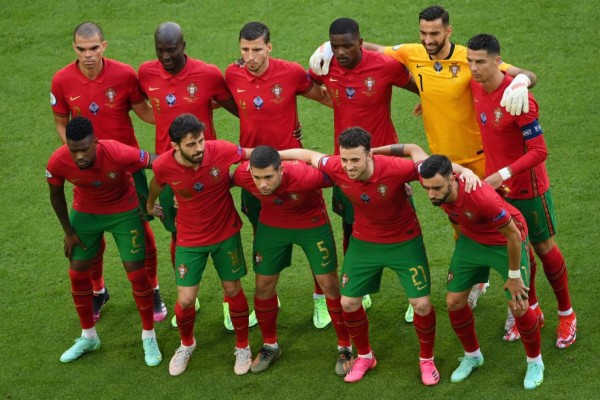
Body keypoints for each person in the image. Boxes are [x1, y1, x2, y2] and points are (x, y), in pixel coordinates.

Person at [309, 6, 538, 316]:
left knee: (503, 224)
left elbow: (523, 73)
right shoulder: (410, 53)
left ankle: (522, 300)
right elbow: (387, 56)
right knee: (461, 223)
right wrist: (325, 50)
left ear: (448, 31)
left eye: (435, 33)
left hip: (477, 160)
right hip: (434, 161)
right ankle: (477, 280)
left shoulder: (465, 58)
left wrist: (522, 81)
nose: (429, 39)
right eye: (424, 33)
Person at [279, 128, 478, 384]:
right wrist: (274, 155)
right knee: (348, 303)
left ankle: (426, 360)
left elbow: (432, 167)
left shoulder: (395, 168)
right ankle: (365, 355)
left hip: (404, 241)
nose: (349, 166)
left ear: (369, 155)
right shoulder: (336, 165)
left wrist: (467, 171)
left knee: (422, 305)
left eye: (355, 160)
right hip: (364, 242)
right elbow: (306, 154)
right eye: (345, 159)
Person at [50, 21, 166, 322]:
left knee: (143, 227)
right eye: (81, 49)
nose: (88, 55)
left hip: (128, 165)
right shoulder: (61, 80)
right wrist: (76, 155)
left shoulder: (124, 74)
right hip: (87, 172)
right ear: (74, 48)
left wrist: (175, 119)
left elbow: (143, 111)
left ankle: (152, 289)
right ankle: (98, 291)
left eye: (93, 48)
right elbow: (61, 123)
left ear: (104, 46)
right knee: (93, 235)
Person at [466, 33, 576, 347]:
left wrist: (503, 173)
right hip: (499, 190)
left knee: (543, 249)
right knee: (519, 252)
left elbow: (540, 152)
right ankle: (532, 311)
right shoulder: (475, 86)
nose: (474, 68)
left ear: (498, 61)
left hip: (529, 190)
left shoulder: (518, 98)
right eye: (470, 61)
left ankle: (567, 314)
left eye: (481, 62)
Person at [138, 22, 249, 329]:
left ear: (184, 46)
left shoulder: (208, 74)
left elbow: (239, 107)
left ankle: (231, 302)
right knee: (178, 233)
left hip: (209, 169)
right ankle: (190, 295)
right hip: (171, 171)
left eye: (171, 49)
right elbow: (136, 104)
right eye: (160, 50)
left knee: (224, 231)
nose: (165, 56)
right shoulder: (146, 73)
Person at [225, 21, 334, 330]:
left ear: (269, 47)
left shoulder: (291, 73)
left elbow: (325, 97)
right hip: (254, 173)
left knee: (315, 236)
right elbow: (232, 103)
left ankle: (320, 299)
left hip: (294, 169)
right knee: (262, 234)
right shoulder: (232, 74)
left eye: (257, 49)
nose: (250, 56)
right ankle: (268, 300)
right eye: (245, 50)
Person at [308, 18, 419, 319]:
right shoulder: (325, 65)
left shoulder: (384, 65)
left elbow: (419, 84)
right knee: (351, 226)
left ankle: (415, 294)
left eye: (347, 45)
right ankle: (361, 286)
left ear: (360, 41)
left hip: (387, 164)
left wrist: (428, 101)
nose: (341, 52)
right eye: (335, 47)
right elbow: (309, 82)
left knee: (402, 224)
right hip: (347, 166)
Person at [419, 155, 544, 390]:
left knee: (519, 305)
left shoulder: (480, 197)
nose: (431, 194)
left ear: (452, 180)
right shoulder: (432, 176)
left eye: (437, 188)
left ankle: (535, 362)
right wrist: (465, 169)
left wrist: (514, 276)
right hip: (472, 239)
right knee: (454, 302)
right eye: (426, 188)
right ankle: (473, 356)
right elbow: (415, 152)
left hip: (505, 241)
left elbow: (513, 236)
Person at [47, 117, 162, 367]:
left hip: (124, 211)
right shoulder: (58, 160)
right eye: (73, 149)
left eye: (84, 149)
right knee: (77, 274)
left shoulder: (116, 151)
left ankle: (148, 336)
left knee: (136, 274)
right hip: (86, 212)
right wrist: (68, 231)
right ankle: (89, 337)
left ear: (95, 143)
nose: (79, 156)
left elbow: (155, 160)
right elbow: (55, 196)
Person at [146, 114, 251, 376]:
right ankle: (186, 345)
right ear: (175, 146)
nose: (199, 148)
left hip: (225, 233)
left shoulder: (221, 150)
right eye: (191, 144)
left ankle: (243, 346)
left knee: (232, 288)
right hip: (190, 239)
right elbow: (157, 184)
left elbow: (251, 154)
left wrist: (296, 158)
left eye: (201, 141)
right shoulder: (164, 166)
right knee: (186, 298)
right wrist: (149, 205)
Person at [233, 146, 352, 375]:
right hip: (272, 226)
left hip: (311, 224)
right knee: (263, 285)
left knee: (329, 284)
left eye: (268, 177)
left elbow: (343, 174)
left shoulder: (306, 175)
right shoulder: (242, 174)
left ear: (281, 169)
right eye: (257, 178)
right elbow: (213, 182)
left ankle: (345, 346)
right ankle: (270, 345)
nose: (262, 184)